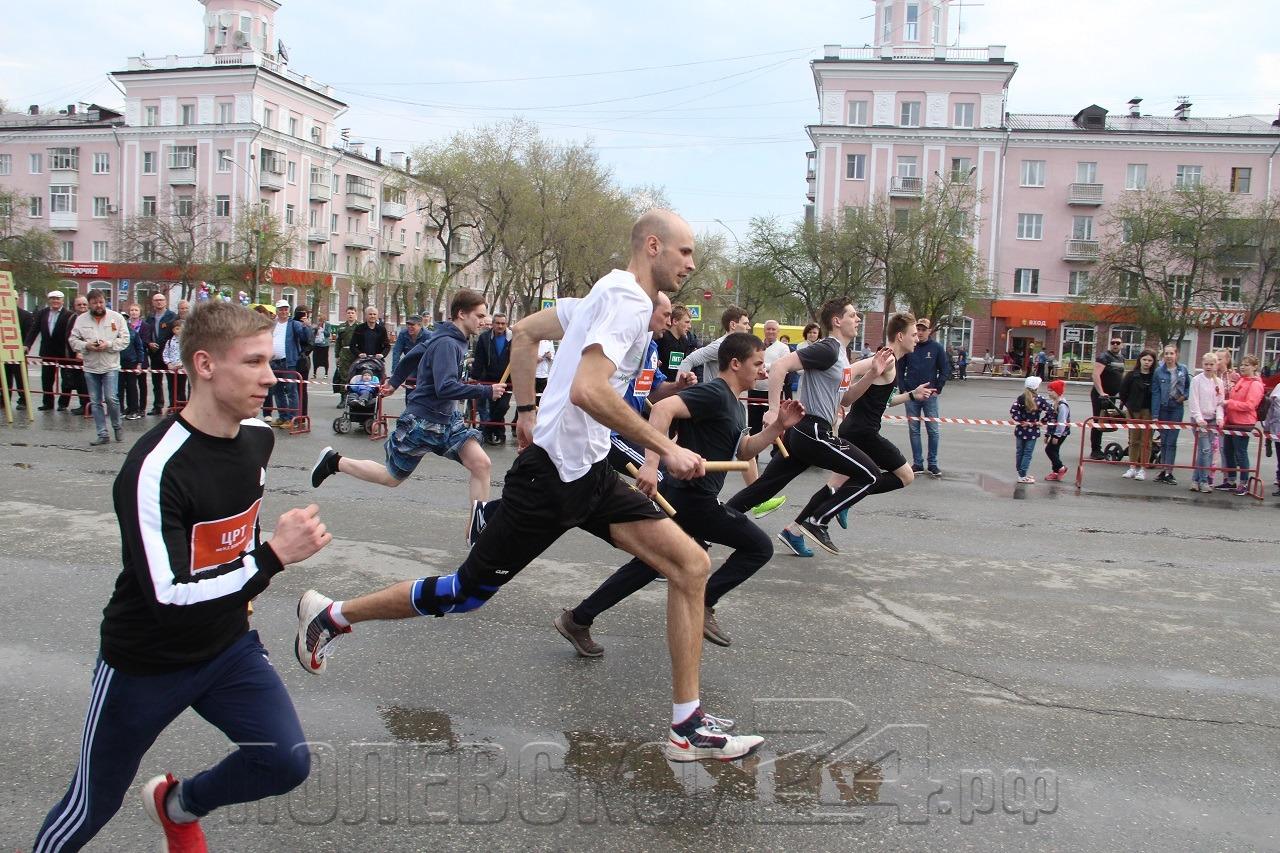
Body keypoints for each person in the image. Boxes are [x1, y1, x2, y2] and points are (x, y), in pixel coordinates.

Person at [297, 210, 765, 763]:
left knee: (690, 565)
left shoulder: (602, 294)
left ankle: (687, 726)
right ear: (654, 246)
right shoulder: (628, 301)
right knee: (464, 594)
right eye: (685, 252)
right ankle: (333, 616)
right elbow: (589, 391)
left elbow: (525, 331)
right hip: (550, 481)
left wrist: (525, 409)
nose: (691, 263)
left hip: (589, 474)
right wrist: (667, 448)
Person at [31, 302, 331, 852]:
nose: (271, 376)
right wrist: (271, 557)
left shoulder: (258, 438)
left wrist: (255, 562)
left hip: (227, 650)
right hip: (145, 662)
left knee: (285, 761)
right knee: (92, 805)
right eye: (254, 362)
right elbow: (168, 597)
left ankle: (177, 806)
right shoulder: (153, 468)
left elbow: (237, 537)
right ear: (205, 364)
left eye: (270, 361)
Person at [556, 332, 803, 656]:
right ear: (735, 363)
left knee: (650, 565)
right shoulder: (715, 392)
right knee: (758, 547)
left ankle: (578, 619)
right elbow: (662, 410)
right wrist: (651, 464)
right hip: (692, 499)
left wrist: (777, 427)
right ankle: (704, 602)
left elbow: (743, 451)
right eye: (757, 363)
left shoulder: (734, 403)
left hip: (690, 498)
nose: (762, 370)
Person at [310, 289, 505, 538]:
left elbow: (413, 355)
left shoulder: (447, 336)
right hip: (422, 422)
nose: (484, 321)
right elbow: (445, 387)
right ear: (461, 314)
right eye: (479, 316)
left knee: (481, 464)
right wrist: (487, 391)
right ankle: (334, 461)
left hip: (447, 420)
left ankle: (477, 531)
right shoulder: (447, 343)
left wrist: (394, 382)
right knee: (391, 477)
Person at [724, 301, 895, 558]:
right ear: (837, 321)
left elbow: (846, 399)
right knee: (870, 474)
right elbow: (780, 366)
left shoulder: (841, 355)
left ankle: (710, 526)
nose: (858, 319)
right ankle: (818, 521)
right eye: (852, 315)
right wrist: (773, 410)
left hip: (805, 433)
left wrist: (872, 374)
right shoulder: (828, 348)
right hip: (812, 429)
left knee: (762, 489)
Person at [819, 312, 933, 535]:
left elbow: (885, 401)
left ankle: (795, 529)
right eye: (913, 334)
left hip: (853, 429)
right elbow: (849, 371)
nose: (917, 338)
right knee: (905, 475)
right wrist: (841, 397)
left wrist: (912, 395)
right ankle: (846, 500)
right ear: (900, 336)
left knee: (835, 484)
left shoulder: (890, 360)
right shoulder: (887, 358)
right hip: (863, 433)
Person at [69, 289, 130, 446]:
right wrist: (86, 345)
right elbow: (73, 340)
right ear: (89, 304)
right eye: (95, 303)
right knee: (95, 401)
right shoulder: (81, 320)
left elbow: (125, 340)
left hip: (110, 365)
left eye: (101, 302)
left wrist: (108, 344)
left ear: (105, 301)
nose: (98, 305)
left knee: (111, 398)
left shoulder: (116, 317)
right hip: (90, 366)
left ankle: (117, 426)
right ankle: (102, 433)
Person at [898, 318, 949, 478]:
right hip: (912, 394)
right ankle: (918, 463)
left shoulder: (936, 348)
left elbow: (945, 369)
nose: (920, 333)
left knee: (933, 430)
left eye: (923, 330)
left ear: (929, 331)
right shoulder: (910, 347)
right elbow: (900, 368)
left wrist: (938, 388)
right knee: (914, 429)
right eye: (917, 329)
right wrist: (903, 388)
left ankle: (932, 463)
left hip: (929, 395)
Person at [1218, 354, 1263, 495]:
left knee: (1240, 453)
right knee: (1228, 451)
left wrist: (1229, 403)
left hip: (1244, 422)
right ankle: (1231, 480)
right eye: (1242, 364)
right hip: (1231, 421)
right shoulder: (1241, 380)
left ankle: (1244, 483)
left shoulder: (1255, 384)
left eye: (1247, 365)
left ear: (1254, 367)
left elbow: (1250, 405)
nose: (1243, 367)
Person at [25, 289, 73, 411]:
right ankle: (48, 403)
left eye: (58, 299)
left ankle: (63, 403)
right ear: (49, 300)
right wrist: (27, 345)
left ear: (62, 301)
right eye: (52, 298)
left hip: (63, 352)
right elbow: (34, 330)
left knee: (66, 379)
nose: (55, 301)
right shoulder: (42, 313)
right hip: (47, 351)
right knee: (46, 379)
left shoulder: (69, 314)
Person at [1151, 344, 1191, 485]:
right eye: (1166, 353)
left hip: (1176, 408)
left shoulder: (1183, 369)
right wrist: (1155, 415)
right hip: (1163, 408)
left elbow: (1188, 387)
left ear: (1176, 355)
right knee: (1164, 440)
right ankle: (1163, 470)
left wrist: (1184, 396)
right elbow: (1155, 393)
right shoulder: (1158, 372)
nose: (1169, 356)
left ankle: (1169, 472)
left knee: (1171, 441)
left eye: (1171, 353)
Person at [266, 301, 309, 427]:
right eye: (281, 309)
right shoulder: (272, 324)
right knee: (277, 390)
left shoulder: (294, 324)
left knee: (291, 390)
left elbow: (305, 337)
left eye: (286, 309)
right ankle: (283, 416)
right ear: (277, 311)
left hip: (289, 362)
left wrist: (306, 327)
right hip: (274, 362)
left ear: (289, 310)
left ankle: (292, 418)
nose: (283, 312)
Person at [472, 313, 512, 445]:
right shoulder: (484, 338)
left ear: (506, 324)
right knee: (493, 407)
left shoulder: (513, 338)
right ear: (493, 324)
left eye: (503, 323)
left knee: (503, 406)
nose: (500, 326)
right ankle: (499, 434)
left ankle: (488, 430)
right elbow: (479, 359)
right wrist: (475, 376)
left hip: (508, 380)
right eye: (498, 323)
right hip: (489, 379)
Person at [1187, 352, 1224, 494]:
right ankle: (1203, 481)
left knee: (1206, 451)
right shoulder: (1197, 380)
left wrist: (1219, 417)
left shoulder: (1219, 382)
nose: (1208, 367)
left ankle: (1195, 480)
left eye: (1211, 364)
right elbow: (1194, 400)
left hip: (1212, 419)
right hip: (1200, 420)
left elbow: (1220, 402)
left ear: (1216, 366)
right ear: (1202, 365)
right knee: (1205, 449)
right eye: (1206, 364)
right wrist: (1199, 418)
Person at [1119, 349, 1156, 480]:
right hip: (1133, 411)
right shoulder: (1131, 375)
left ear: (1153, 362)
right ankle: (1132, 467)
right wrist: (1128, 406)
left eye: (1150, 360)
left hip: (1149, 412)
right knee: (1134, 440)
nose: (1147, 362)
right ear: (1140, 360)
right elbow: (1123, 392)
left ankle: (1143, 469)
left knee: (1146, 441)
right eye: (1144, 359)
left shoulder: (1155, 376)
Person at [1090, 336, 1126, 459]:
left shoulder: (1121, 358)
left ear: (1122, 345)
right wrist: (1101, 392)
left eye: (1118, 343)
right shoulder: (1104, 357)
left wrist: (1122, 393)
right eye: (1113, 342)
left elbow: (1120, 376)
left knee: (1108, 421)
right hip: (1101, 396)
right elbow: (1096, 375)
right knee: (1098, 421)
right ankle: (1095, 450)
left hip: (1112, 396)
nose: (1115, 344)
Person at [1009, 376, 1050, 484]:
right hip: (1033, 431)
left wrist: (1020, 420)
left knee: (1020, 451)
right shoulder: (1040, 399)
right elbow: (1050, 411)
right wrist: (1043, 421)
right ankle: (1022, 475)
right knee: (1027, 453)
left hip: (1021, 429)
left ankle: (1020, 472)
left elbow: (1013, 410)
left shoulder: (1021, 398)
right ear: (1036, 387)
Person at [144, 292, 178, 415]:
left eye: (161, 300)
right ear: (153, 302)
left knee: (171, 383)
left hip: (168, 354)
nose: (159, 302)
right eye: (156, 300)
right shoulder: (150, 317)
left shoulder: (172, 316)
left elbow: (175, 334)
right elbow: (146, 333)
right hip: (154, 354)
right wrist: (149, 343)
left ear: (165, 302)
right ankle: (157, 406)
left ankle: (172, 406)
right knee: (156, 383)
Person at [119, 303, 149, 420]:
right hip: (118, 363)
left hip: (132, 362)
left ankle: (134, 410)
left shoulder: (133, 333)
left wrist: (139, 363)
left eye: (124, 319)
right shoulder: (115, 333)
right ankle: (120, 409)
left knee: (132, 387)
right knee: (119, 387)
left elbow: (140, 348)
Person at [1042, 379, 1071, 481]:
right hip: (1054, 432)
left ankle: (1061, 468)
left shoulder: (1062, 405)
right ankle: (1056, 471)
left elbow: (1061, 422)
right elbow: (1051, 420)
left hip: (1060, 433)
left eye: (1051, 391)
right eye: (1048, 390)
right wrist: (1047, 434)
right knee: (1055, 451)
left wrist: (1056, 436)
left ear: (1058, 392)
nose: (1049, 393)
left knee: (1049, 450)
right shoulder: (1054, 403)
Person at [7, 302, 33, 408]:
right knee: (4, 376)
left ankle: (23, 400)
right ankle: (4, 399)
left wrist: (26, 346)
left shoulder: (25, 315)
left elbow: (29, 333)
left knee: (21, 377)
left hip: (19, 351)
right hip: (4, 351)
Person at [655, 305, 695, 374]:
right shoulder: (660, 339)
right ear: (675, 321)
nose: (689, 326)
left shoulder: (685, 342)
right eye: (687, 322)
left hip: (677, 380)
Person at [332, 306, 360, 402]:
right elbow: (338, 343)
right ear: (346, 314)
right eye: (348, 313)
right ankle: (343, 398)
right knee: (344, 375)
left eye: (352, 313)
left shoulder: (360, 326)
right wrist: (337, 356)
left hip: (356, 353)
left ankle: (353, 397)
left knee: (355, 375)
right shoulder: (341, 327)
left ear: (356, 314)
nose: (350, 315)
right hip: (344, 353)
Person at [162, 318, 187, 410]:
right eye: (177, 328)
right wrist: (168, 363)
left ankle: (182, 407)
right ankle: (173, 406)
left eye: (182, 328)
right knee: (172, 387)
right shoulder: (169, 342)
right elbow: (165, 354)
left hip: (182, 369)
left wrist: (182, 364)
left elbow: (188, 354)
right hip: (172, 369)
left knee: (181, 388)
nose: (179, 330)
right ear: (173, 330)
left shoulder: (187, 342)